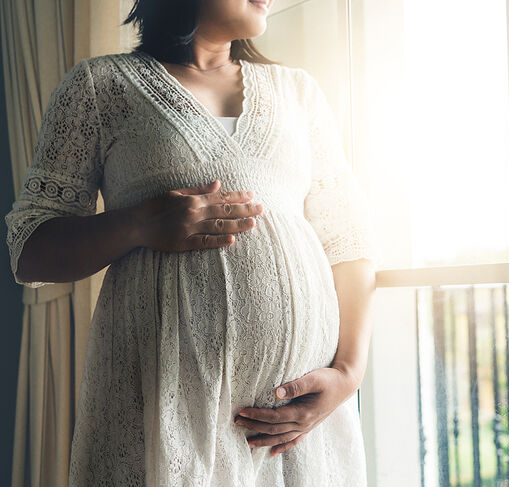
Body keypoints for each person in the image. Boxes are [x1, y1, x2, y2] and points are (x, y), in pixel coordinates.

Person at [3, 0, 382, 485]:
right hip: (164, 409)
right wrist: (138, 225)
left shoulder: (298, 91)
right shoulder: (100, 87)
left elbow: (348, 240)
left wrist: (348, 374)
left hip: (295, 429)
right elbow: (30, 247)